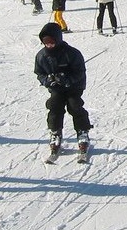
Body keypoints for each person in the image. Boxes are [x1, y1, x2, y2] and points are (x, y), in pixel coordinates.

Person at [34, 22, 91, 156]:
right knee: (54, 105)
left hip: (74, 87)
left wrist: (67, 79)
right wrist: (47, 80)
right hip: (57, 88)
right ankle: (55, 132)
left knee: (74, 105)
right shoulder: (41, 56)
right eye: (46, 43)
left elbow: (80, 72)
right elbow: (39, 73)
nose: (49, 46)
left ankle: (82, 132)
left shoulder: (72, 53)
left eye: (52, 43)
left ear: (58, 40)